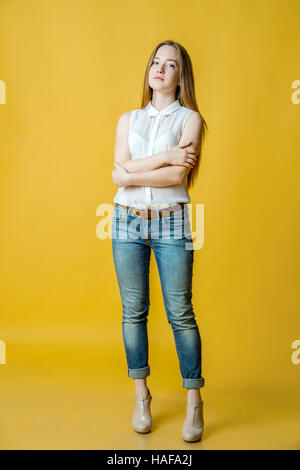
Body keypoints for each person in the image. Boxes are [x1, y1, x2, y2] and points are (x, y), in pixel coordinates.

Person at [111, 40, 208, 442]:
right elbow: (117, 176)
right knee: (133, 310)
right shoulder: (127, 119)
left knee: (179, 312)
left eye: (170, 65)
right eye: (156, 62)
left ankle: (194, 402)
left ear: (180, 76)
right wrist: (165, 156)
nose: (160, 69)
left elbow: (175, 179)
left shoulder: (192, 119)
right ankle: (141, 397)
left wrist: (136, 170)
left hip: (172, 224)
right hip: (125, 223)